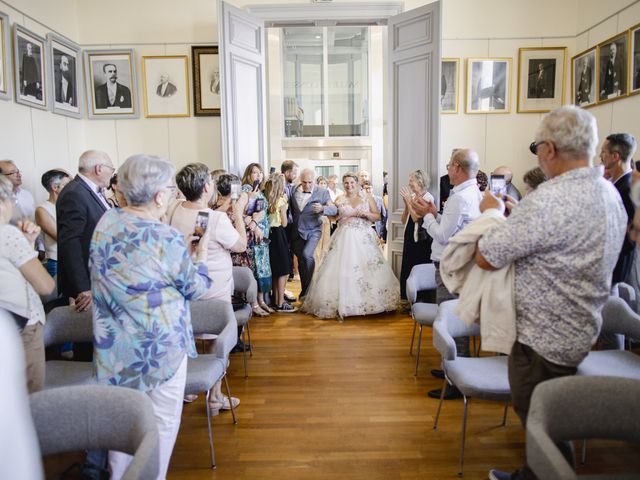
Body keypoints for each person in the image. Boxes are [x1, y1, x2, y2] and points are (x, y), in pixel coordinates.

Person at [478, 106, 627, 480]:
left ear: (548, 149)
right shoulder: (610, 193)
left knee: (539, 421)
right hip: (581, 327)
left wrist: (492, 214)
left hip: (541, 337)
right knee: (551, 419)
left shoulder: (548, 200)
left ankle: (542, 473)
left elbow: (486, 257)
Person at [89, 154, 212, 480]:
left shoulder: (107, 223)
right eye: (171, 189)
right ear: (159, 195)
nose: (173, 195)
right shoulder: (165, 238)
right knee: (159, 429)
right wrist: (197, 257)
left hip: (113, 348)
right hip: (159, 352)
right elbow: (195, 288)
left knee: (123, 430)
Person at [412, 148, 482, 399]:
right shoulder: (471, 193)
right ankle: (451, 368)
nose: (447, 168)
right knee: (454, 317)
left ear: (458, 168)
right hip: (460, 264)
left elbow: (442, 234)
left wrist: (426, 217)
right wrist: (435, 213)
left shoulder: (460, 198)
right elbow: (451, 225)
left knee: (452, 321)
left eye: (450, 165)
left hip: (452, 265)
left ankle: (456, 379)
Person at [302, 173, 399, 319]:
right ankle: (343, 302)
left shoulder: (367, 197)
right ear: (343, 184)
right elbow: (334, 216)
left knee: (367, 268)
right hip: (344, 236)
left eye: (352, 182)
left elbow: (377, 216)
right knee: (342, 268)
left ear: (357, 183)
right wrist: (328, 213)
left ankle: (370, 302)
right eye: (346, 183)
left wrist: (365, 214)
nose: (349, 185)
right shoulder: (339, 199)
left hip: (363, 237)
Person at [0, 176, 55, 394]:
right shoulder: (7, 233)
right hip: (22, 325)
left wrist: (28, 243)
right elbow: (45, 286)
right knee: (29, 398)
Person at [57, 150, 114, 313]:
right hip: (88, 284)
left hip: (100, 279)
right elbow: (70, 243)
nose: (112, 174)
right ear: (99, 169)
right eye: (111, 169)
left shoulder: (88, 191)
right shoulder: (75, 193)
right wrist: (82, 287)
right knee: (87, 335)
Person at [290, 168, 337, 298]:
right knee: (301, 261)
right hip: (296, 231)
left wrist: (323, 208)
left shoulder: (323, 193)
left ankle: (310, 289)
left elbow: (334, 209)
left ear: (314, 181)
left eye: (310, 182)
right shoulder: (293, 190)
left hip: (314, 230)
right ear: (300, 180)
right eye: (304, 182)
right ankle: (305, 290)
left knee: (307, 255)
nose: (307, 185)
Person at [600, 133, 637, 286]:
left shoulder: (627, 189)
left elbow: (627, 238)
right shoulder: (616, 185)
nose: (600, 155)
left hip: (614, 270)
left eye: (603, 152)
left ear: (615, 156)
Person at [241, 163, 273, 313]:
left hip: (263, 234)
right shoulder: (247, 190)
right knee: (255, 267)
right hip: (253, 233)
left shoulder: (259, 190)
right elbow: (243, 212)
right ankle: (254, 303)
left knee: (262, 267)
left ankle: (261, 300)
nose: (258, 175)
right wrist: (254, 226)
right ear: (248, 175)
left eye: (260, 172)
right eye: (254, 173)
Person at [399, 170, 434, 300]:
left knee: (417, 266)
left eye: (411, 180)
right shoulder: (413, 197)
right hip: (409, 235)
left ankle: (420, 300)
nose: (409, 183)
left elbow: (417, 219)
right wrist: (406, 205)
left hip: (421, 239)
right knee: (407, 266)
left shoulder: (428, 198)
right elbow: (404, 220)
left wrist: (409, 202)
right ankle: (406, 299)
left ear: (420, 182)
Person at [265, 173, 296, 312]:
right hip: (279, 233)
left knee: (275, 269)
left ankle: (275, 299)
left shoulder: (265, 198)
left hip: (268, 234)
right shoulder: (281, 200)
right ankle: (281, 302)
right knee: (283, 269)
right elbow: (284, 222)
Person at [35, 169, 71, 277]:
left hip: (76, 259)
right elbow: (61, 237)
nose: (72, 189)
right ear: (55, 188)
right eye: (67, 185)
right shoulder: (42, 210)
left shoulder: (71, 205)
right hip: (58, 262)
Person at [0, 160, 36, 226]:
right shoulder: (2, 199)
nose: (19, 175)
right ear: (2, 177)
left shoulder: (27, 194)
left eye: (18, 171)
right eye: (13, 172)